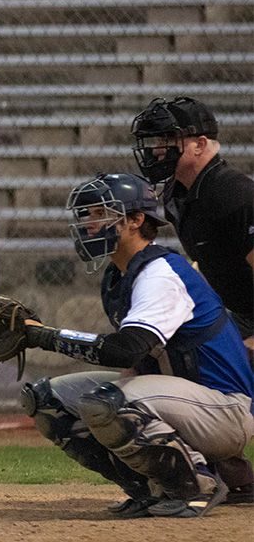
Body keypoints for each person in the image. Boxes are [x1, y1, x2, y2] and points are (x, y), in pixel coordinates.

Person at [15, 173, 254, 518]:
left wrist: (44, 336)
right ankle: (151, 488)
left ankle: (197, 483)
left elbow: (124, 349)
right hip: (185, 402)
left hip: (225, 410)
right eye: (85, 215)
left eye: (99, 213)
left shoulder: (160, 273)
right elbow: (137, 363)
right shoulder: (120, 274)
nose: (88, 224)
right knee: (46, 399)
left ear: (136, 220)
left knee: (108, 402)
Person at [130, 97, 254, 343]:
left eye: (168, 140)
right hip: (236, 314)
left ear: (200, 144)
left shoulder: (232, 194)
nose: (157, 149)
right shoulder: (176, 194)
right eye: (158, 140)